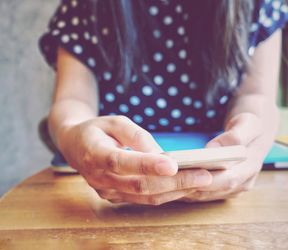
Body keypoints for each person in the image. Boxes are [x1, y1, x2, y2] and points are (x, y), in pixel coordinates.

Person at [38, 0, 288, 205]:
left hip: (227, 194)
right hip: (103, 202)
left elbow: (256, 96)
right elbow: (72, 100)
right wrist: (72, 136)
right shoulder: (86, 6)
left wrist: (254, 137)